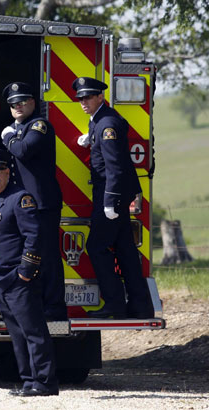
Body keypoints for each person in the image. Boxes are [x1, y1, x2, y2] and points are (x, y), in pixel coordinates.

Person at [0, 148, 58, 397]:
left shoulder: (20, 198)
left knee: (34, 331)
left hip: (17, 278)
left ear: (7, 172)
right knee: (17, 334)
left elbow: (34, 235)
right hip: (1, 281)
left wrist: (26, 270)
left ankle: (44, 382)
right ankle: (28, 381)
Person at [72, 76, 154, 319]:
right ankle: (140, 306)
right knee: (125, 250)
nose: (83, 102)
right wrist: (91, 136)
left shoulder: (106, 124)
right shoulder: (101, 120)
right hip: (115, 194)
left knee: (96, 247)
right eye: (80, 98)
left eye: (88, 97)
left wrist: (110, 202)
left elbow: (115, 168)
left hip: (111, 196)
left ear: (100, 97)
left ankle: (115, 304)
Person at [0, 82, 66, 321]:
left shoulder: (39, 125)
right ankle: (34, 303)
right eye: (12, 104)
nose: (17, 106)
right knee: (26, 256)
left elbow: (24, 150)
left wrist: (8, 138)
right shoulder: (18, 128)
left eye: (22, 102)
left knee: (46, 255)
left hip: (42, 202)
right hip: (24, 203)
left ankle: (55, 306)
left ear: (32, 103)